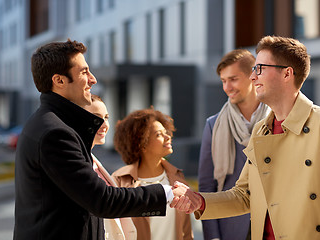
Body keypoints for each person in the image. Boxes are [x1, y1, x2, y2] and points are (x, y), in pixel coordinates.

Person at [13, 39, 190, 240]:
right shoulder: (55, 133)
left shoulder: (51, 124)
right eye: (83, 72)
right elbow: (102, 200)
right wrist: (165, 193)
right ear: (59, 81)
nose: (93, 79)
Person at [175, 36, 320, 239]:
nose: (253, 77)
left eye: (260, 69)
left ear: (287, 74)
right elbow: (245, 195)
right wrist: (199, 201)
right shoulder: (261, 130)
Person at [198, 49, 269, 240]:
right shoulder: (213, 125)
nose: (227, 87)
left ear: (253, 76)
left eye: (233, 79)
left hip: (273, 225)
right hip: (231, 227)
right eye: (223, 81)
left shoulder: (277, 119)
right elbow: (206, 185)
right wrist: (212, 236)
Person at [112, 108, 194, 240]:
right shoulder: (120, 181)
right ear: (141, 143)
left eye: (166, 132)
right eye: (159, 134)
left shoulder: (177, 178)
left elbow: (187, 233)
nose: (168, 137)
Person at [84, 94, 137, 240]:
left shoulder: (95, 163)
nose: (104, 124)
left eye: (106, 117)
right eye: (96, 118)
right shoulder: (77, 165)